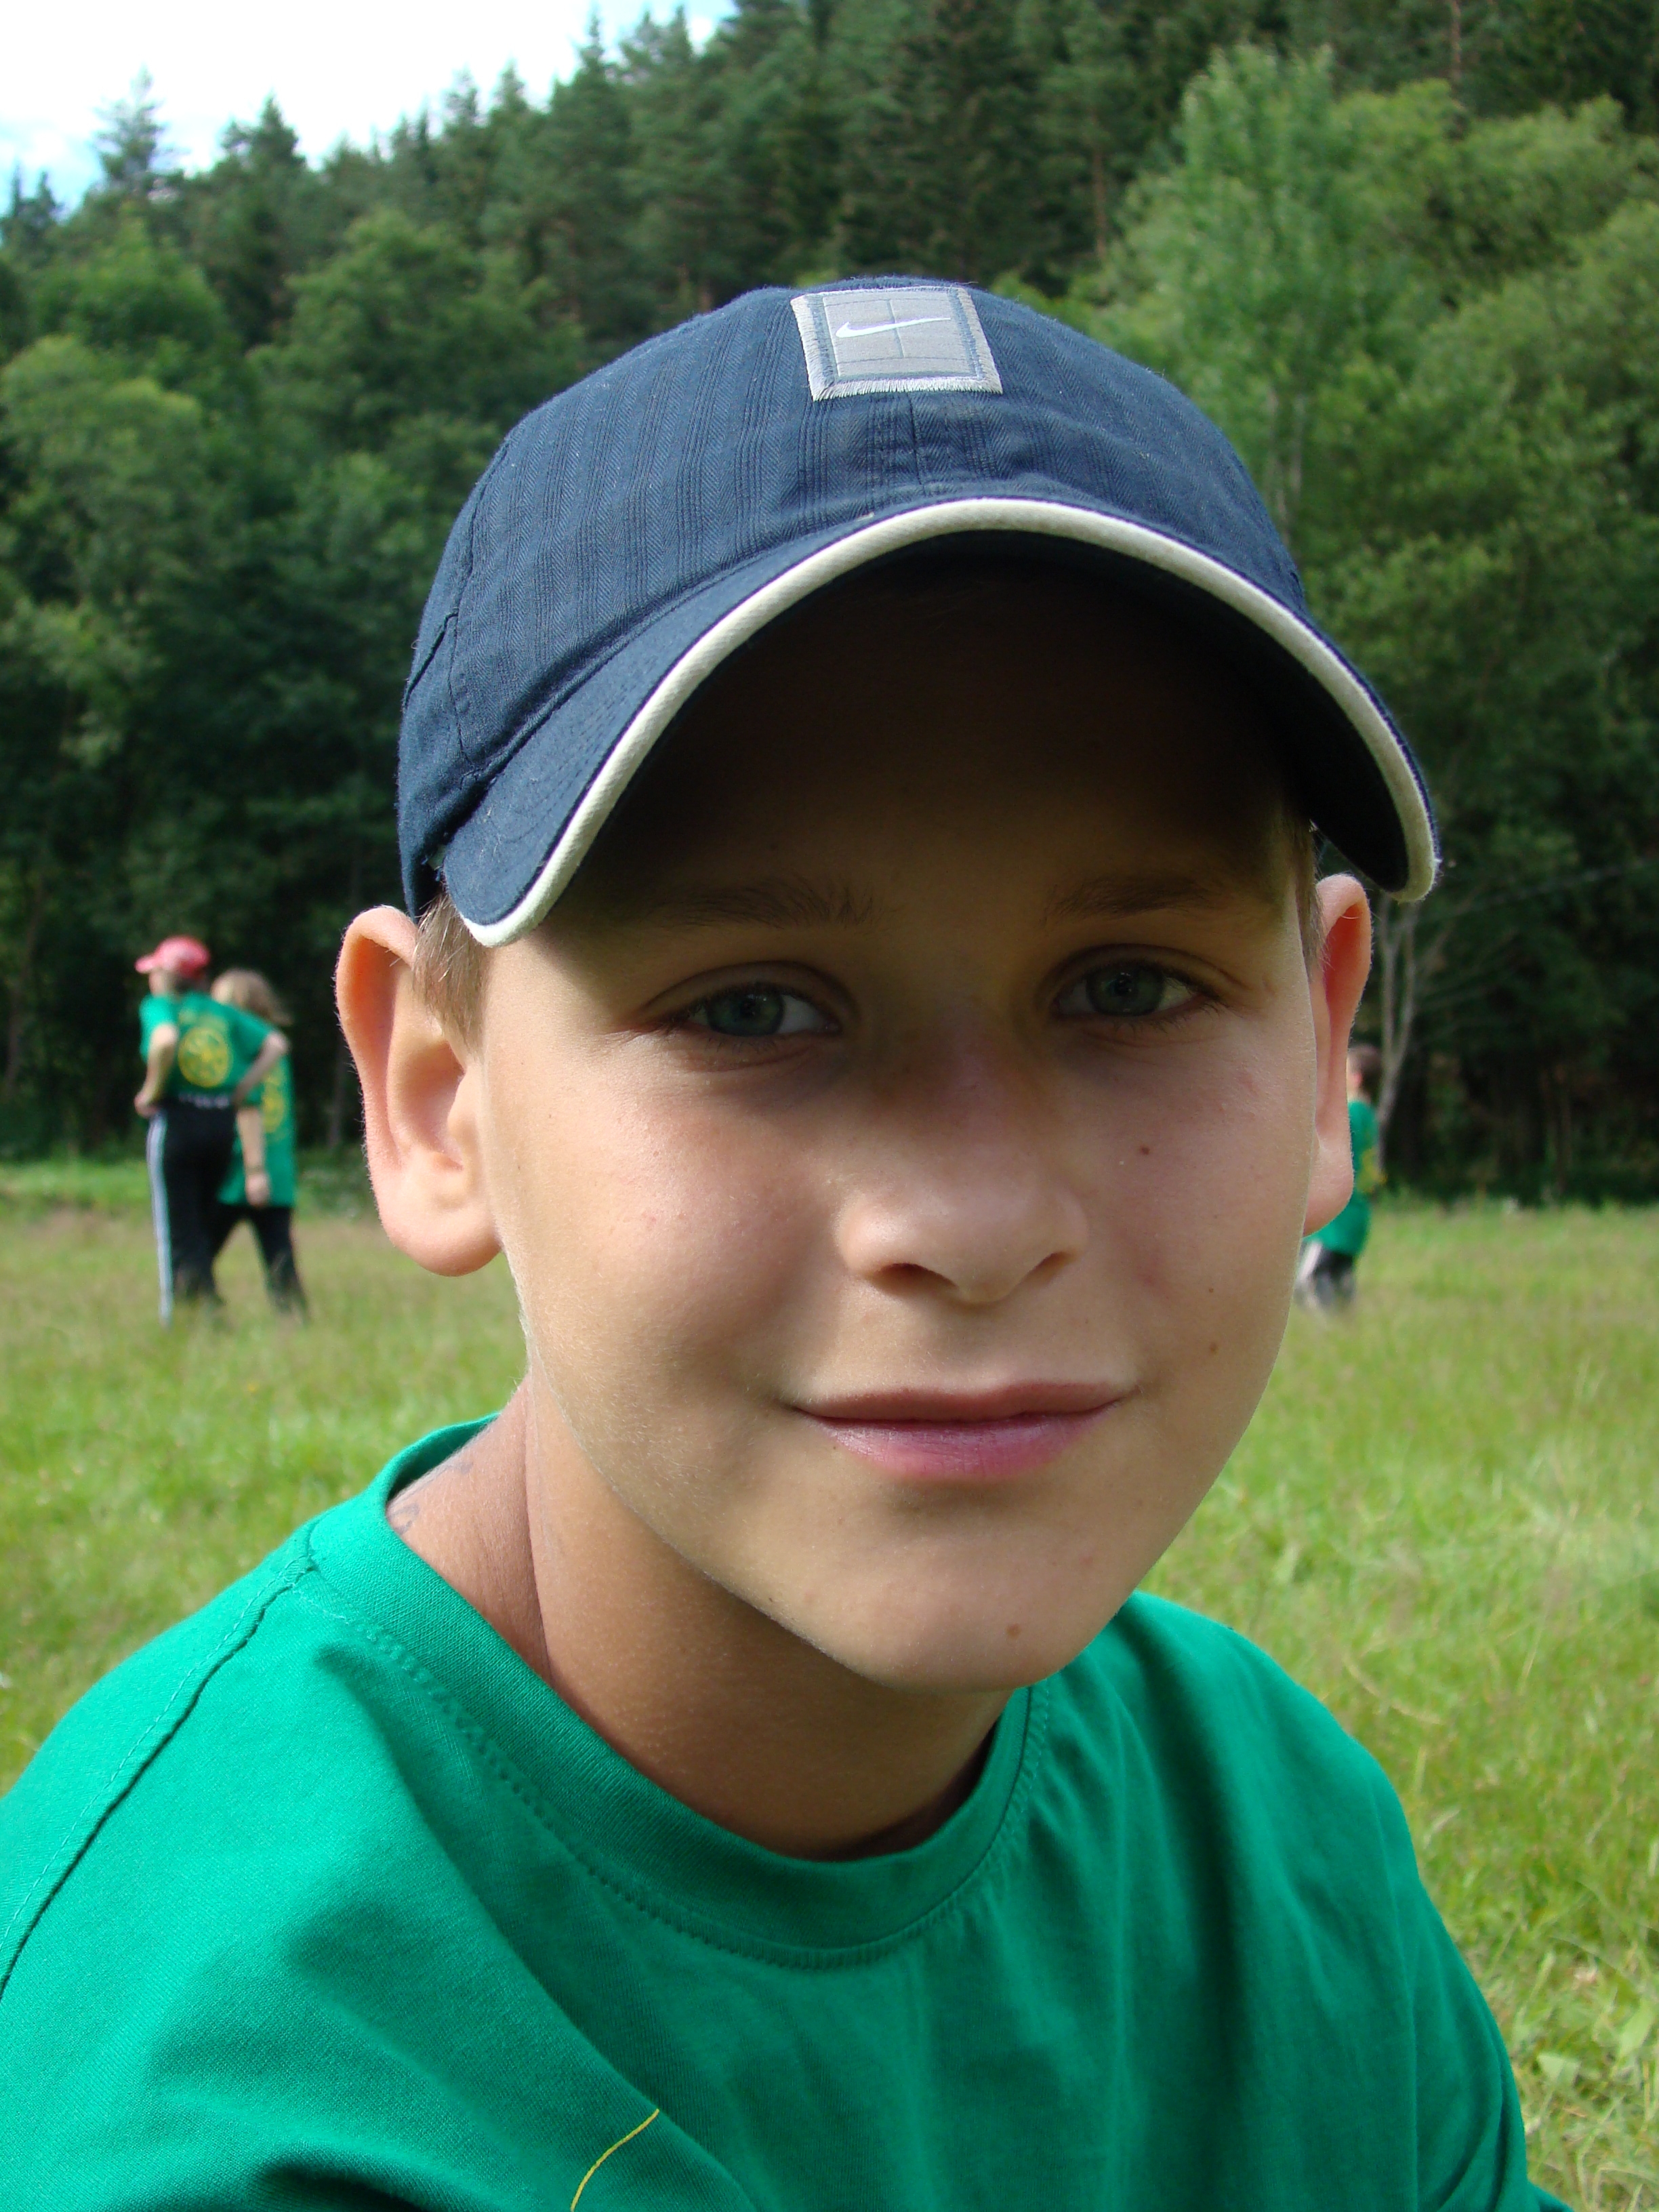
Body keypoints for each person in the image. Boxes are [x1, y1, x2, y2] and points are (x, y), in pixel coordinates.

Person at [2, 287, 1563, 2210]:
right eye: (751, 1010)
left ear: (1324, 1051)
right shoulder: (230, 2099)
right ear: (435, 1097)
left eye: (1129, 986)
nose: (974, 1220)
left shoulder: (1279, 1850)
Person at [131, 935, 289, 1322]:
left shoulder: (161, 1006)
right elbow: (275, 1044)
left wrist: (151, 1091)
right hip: (221, 1123)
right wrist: (240, 1090)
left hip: (179, 1121)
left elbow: (165, 1040)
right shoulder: (219, 1012)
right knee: (201, 1224)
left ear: (166, 977)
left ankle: (182, 1316)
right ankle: (208, 1308)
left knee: (178, 1227)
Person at [209, 968, 308, 1315]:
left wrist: (253, 1168)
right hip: (278, 1169)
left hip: (240, 1167)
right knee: (280, 1258)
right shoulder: (273, 1043)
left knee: (199, 1250)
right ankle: (295, 1323)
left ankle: (199, 1311)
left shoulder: (240, 1047)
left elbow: (247, 1108)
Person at [1296, 1042, 1385, 1309]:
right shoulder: (1369, 1116)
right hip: (1358, 1214)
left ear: (1356, 1078)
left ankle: (1329, 1332)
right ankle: (1349, 1329)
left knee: (1308, 1280)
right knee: (1340, 1279)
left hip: (1335, 1219)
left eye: (1344, 1070)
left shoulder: (1350, 1113)